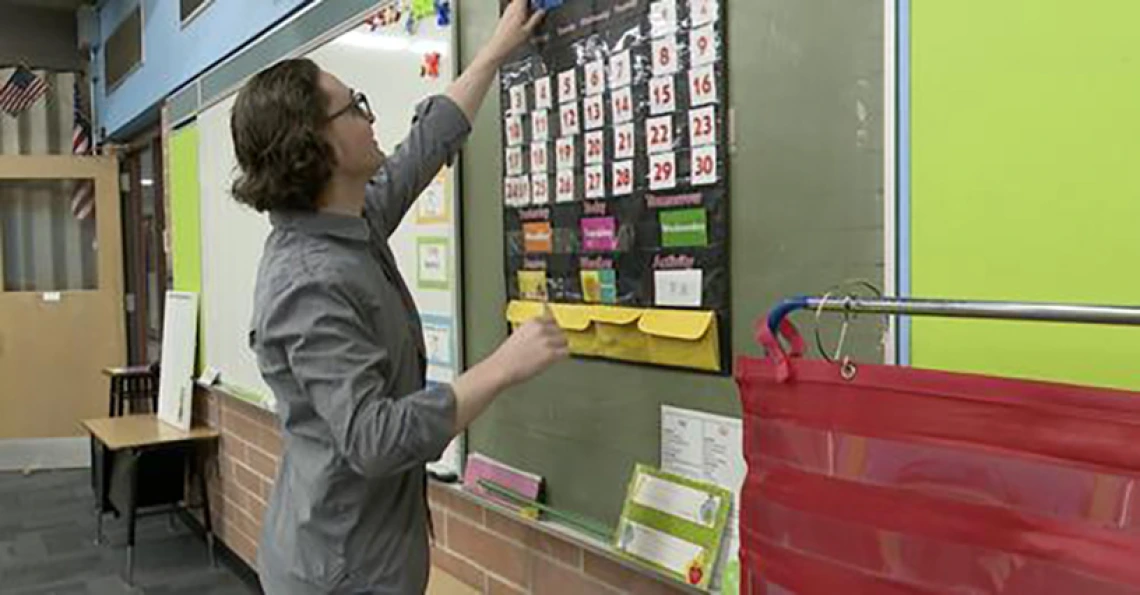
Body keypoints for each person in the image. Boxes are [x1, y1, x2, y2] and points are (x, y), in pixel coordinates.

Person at [229, 1, 565, 593]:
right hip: (342, 572)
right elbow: (372, 438)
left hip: (373, 549)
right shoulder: (309, 281)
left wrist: (490, 53)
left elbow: (423, 148)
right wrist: (501, 368)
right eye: (354, 105)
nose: (369, 113)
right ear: (319, 146)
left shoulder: (344, 221)